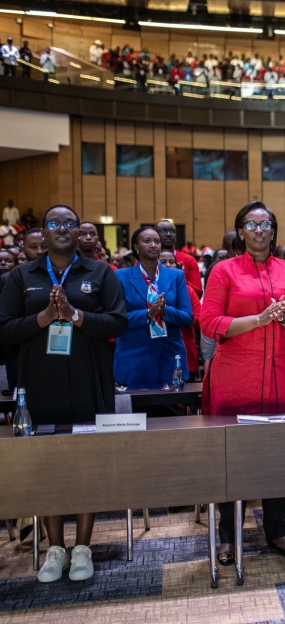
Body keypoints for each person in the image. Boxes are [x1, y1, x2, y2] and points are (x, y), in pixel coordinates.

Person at [0, 204, 127, 582]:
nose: (62, 229)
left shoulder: (100, 272)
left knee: (86, 461)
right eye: (53, 224)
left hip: (90, 378)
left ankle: (83, 547)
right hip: (39, 382)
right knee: (47, 465)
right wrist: (42, 319)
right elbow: (4, 329)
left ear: (78, 231)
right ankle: (55, 548)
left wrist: (75, 315)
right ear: (42, 231)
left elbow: (119, 320)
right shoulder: (21, 275)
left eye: (69, 224)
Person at [201, 201, 285, 565]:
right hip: (236, 378)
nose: (259, 230)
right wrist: (258, 319)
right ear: (240, 231)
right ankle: (227, 536)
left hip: (282, 377)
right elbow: (209, 322)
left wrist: (284, 319)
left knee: (278, 460)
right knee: (230, 462)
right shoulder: (223, 271)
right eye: (251, 224)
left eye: (265, 224)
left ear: (273, 230)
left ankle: (277, 531)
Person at [113, 226, 193, 387]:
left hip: (169, 355)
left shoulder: (176, 276)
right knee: (138, 408)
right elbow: (117, 319)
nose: (154, 245)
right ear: (136, 247)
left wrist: (165, 311)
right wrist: (148, 314)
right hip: (134, 357)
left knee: (171, 410)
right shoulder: (121, 276)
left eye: (157, 241)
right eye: (147, 241)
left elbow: (187, 317)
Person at [160, 249, 202, 381]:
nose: (167, 265)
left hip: (185, 350)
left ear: (178, 266)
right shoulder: (150, 287)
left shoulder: (188, 290)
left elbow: (198, 318)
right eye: (163, 262)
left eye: (171, 262)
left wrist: (177, 317)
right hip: (157, 352)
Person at [156, 220, 201, 297]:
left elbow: (198, 293)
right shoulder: (144, 259)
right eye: (163, 231)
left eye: (172, 231)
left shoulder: (188, 260)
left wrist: (180, 277)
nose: (168, 234)